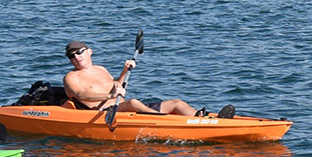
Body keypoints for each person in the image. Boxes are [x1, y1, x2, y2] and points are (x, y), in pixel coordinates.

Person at [60, 41, 232, 118]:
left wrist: (125, 70)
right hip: (103, 114)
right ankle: (168, 121)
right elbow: (81, 94)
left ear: (89, 51)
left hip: (119, 107)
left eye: (79, 52)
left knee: (177, 103)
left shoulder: (101, 69)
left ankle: (201, 118)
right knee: (134, 102)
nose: (76, 57)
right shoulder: (71, 77)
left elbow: (117, 87)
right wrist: (109, 97)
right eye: (72, 55)